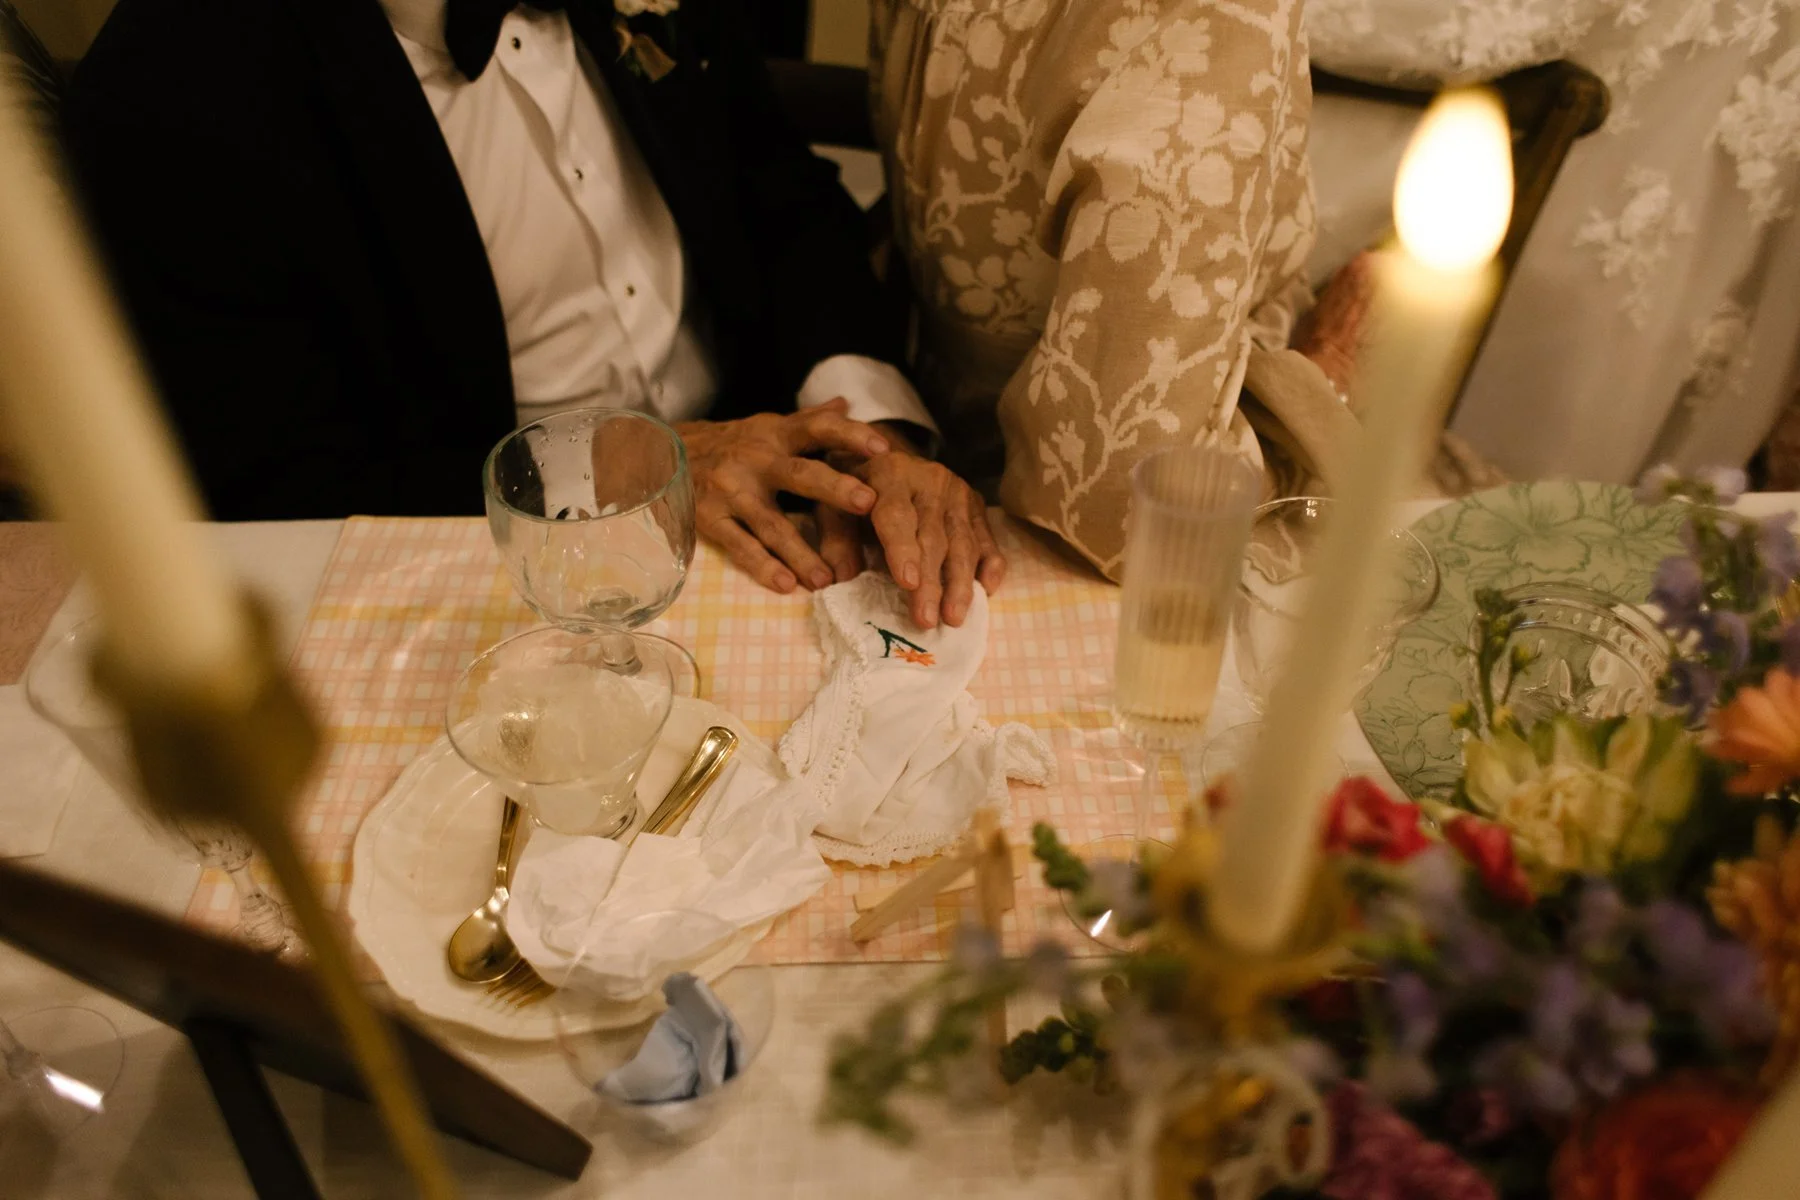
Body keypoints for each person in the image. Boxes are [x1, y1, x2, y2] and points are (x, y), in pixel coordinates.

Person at [61, 0, 996, 627]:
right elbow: (267, 479)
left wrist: (868, 439)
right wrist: (647, 462)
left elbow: (783, 197)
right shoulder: (173, 82)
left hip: (781, 503)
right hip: (493, 577)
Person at [868, 0, 1360, 580]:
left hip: (920, 448)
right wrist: (1330, 368)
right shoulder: (1206, 17)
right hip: (1055, 561)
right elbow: (1140, 508)